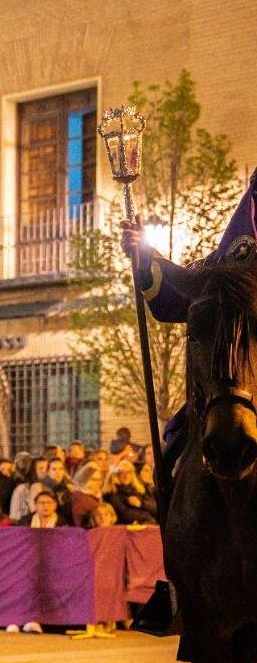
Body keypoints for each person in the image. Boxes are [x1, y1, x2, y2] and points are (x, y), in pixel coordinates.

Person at [122, 168, 257, 514]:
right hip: (224, 391)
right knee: (175, 449)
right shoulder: (229, 258)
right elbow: (172, 302)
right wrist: (144, 260)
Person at [106, 459, 157, 525]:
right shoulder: (113, 493)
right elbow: (125, 514)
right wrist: (147, 516)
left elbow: (156, 508)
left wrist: (142, 504)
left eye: (128, 472)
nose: (126, 476)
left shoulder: (138, 490)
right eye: (122, 473)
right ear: (116, 475)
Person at [8, 454, 43, 522]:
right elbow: (14, 515)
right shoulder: (21, 489)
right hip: (25, 525)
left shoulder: (47, 488)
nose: (43, 471)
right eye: (40, 468)